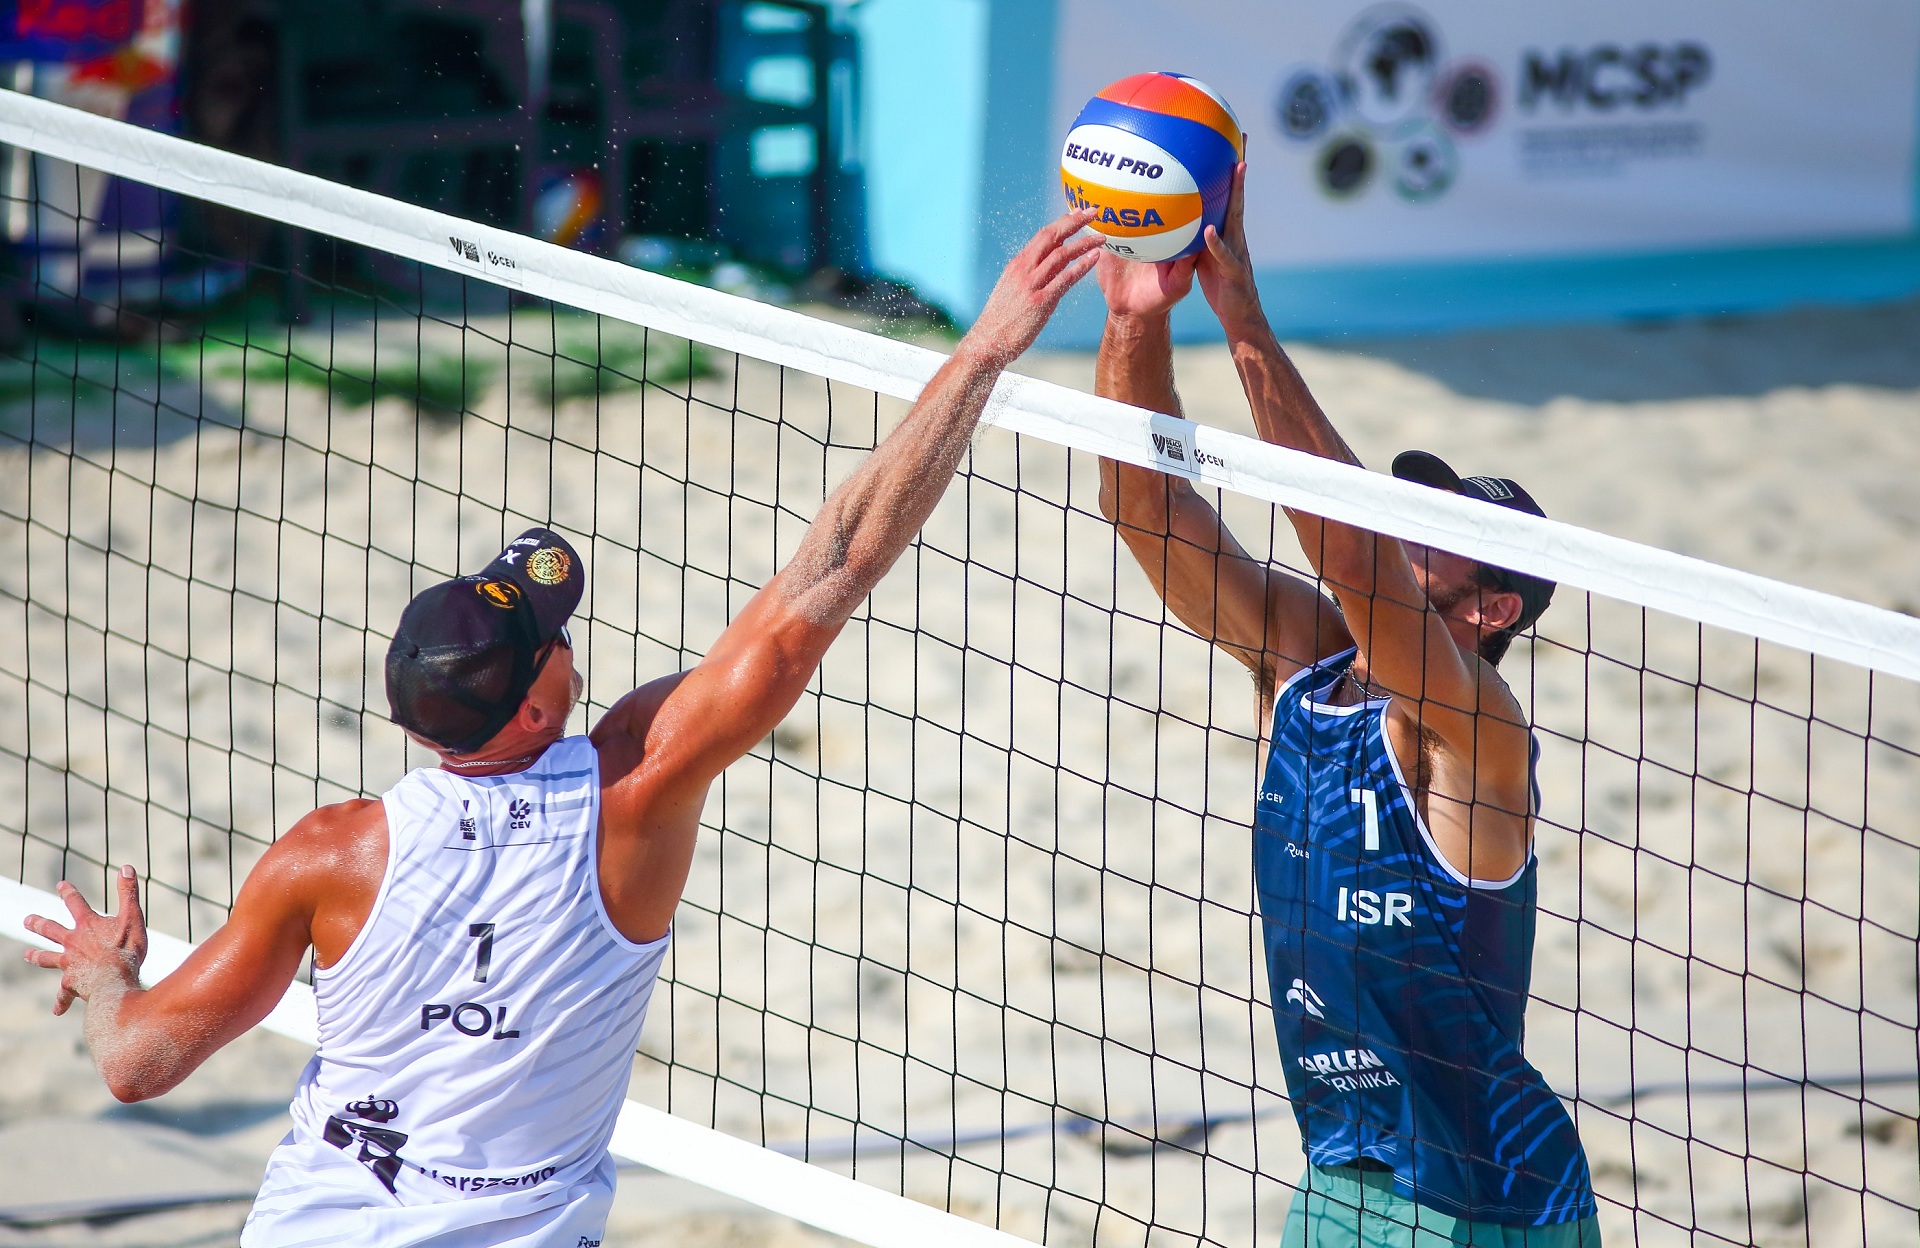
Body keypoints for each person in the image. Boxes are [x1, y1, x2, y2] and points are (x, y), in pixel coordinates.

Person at [23, 208, 1105, 1247]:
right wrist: (983, 351)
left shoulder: (325, 855)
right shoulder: (632, 787)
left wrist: (111, 976)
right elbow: (835, 566)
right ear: (539, 706)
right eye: (551, 636)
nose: (565, 632)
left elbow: (136, 1064)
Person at [1094, 169, 1598, 1245]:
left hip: (1487, 1199)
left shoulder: (1475, 729)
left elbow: (1360, 565)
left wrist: (1245, 326)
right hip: (1341, 1174)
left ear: (1493, 607)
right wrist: (1138, 315)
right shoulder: (1302, 666)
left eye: (1441, 527)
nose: (1408, 519)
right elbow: (1144, 508)